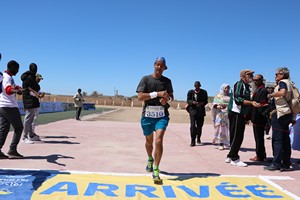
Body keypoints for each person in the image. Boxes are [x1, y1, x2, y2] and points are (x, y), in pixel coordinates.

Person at [136, 57, 173, 182]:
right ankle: (150, 159)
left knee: (158, 140)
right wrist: (157, 94)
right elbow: (140, 97)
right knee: (149, 141)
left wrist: (166, 100)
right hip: (147, 116)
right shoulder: (146, 79)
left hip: (161, 116)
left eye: (161, 65)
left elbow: (171, 97)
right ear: (154, 65)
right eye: (157, 65)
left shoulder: (167, 81)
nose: (159, 67)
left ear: (164, 68)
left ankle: (156, 169)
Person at [225, 69, 260, 167]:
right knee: (237, 135)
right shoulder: (239, 84)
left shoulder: (247, 86)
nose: (252, 77)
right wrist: (251, 103)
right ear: (244, 76)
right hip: (236, 113)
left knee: (235, 135)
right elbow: (238, 99)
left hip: (241, 114)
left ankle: (230, 155)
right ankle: (234, 158)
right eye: (250, 75)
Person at [264, 67, 294, 171]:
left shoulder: (282, 83)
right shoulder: (290, 83)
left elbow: (282, 92)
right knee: (285, 139)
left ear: (282, 74)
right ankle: (286, 162)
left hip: (280, 113)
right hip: (287, 113)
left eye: (277, 74)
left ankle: (276, 163)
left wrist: (270, 95)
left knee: (277, 139)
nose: (275, 76)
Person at [0, 60, 24, 159]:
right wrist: (16, 91)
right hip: (9, 106)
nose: (18, 71)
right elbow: (8, 90)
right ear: (12, 67)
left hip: (2, 106)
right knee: (18, 128)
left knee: (4, 129)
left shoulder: (8, 77)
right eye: (17, 68)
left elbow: (10, 87)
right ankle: (12, 150)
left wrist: (18, 88)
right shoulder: (7, 77)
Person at [21, 63, 44, 143]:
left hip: (31, 100)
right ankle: (24, 137)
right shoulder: (30, 77)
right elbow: (35, 87)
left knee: (30, 119)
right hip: (29, 100)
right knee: (28, 119)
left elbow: (35, 87)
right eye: (34, 68)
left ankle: (31, 135)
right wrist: (37, 90)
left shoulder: (29, 77)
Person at [249, 74, 269, 162]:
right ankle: (261, 154)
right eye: (254, 80)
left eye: (257, 80)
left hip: (259, 118)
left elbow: (262, 104)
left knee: (259, 137)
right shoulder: (258, 89)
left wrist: (257, 117)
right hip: (256, 117)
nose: (255, 81)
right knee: (258, 137)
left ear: (262, 80)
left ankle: (259, 155)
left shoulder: (263, 90)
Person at [186, 81, 208, 146]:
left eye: (198, 85)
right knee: (192, 126)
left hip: (201, 111)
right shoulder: (190, 92)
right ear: (194, 86)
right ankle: (192, 141)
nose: (197, 87)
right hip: (192, 111)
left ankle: (198, 138)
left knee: (199, 126)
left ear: (200, 86)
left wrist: (201, 103)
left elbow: (206, 101)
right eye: (195, 86)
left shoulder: (204, 92)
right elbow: (188, 100)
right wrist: (193, 102)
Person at [211, 84, 231, 150]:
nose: (227, 89)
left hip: (228, 114)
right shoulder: (218, 96)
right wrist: (218, 106)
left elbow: (233, 103)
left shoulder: (231, 95)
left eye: (228, 88)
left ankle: (227, 142)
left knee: (227, 129)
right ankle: (221, 143)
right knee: (220, 129)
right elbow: (214, 104)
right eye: (225, 88)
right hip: (220, 114)